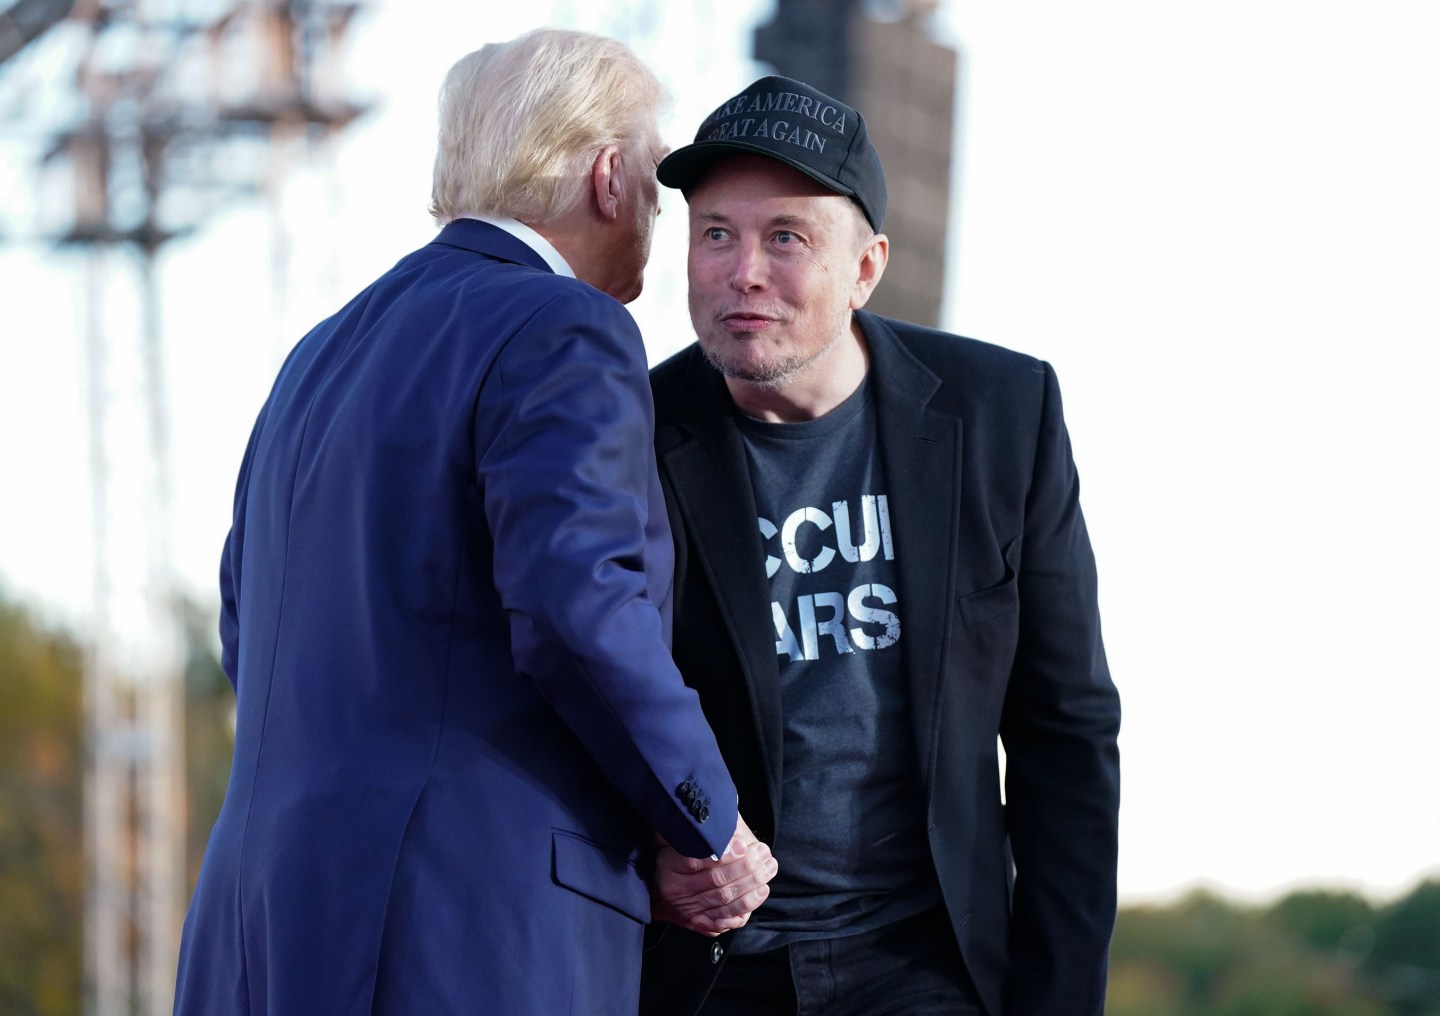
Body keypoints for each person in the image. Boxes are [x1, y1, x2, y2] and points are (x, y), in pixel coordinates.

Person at [173, 29, 767, 1016]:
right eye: (660, 192)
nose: (659, 221)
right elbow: (580, 606)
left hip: (261, 920)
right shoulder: (564, 327)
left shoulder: (319, 356)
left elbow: (248, 624)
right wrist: (705, 818)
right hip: (464, 926)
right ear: (610, 177)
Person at [639, 75, 1122, 1016]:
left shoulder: (1000, 414)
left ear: (866, 267)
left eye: (786, 237)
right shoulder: (631, 438)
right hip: (710, 976)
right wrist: (648, 848)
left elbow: (1066, 729)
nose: (743, 270)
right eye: (715, 234)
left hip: (928, 963)